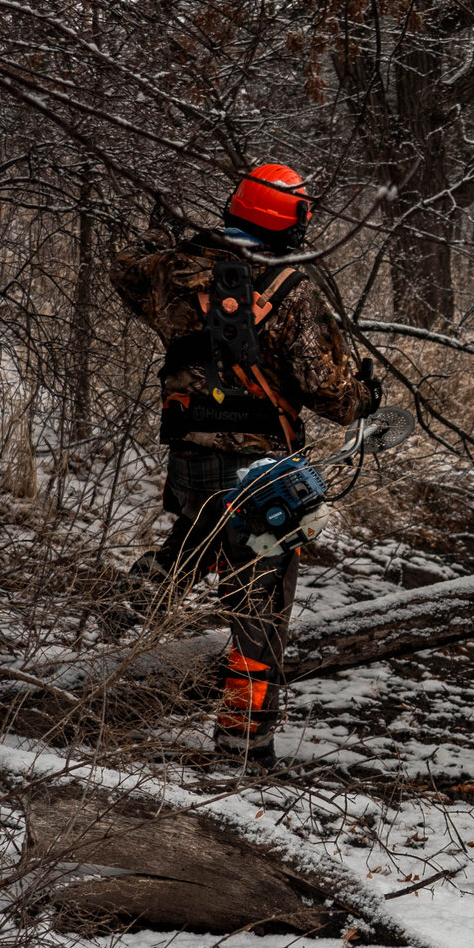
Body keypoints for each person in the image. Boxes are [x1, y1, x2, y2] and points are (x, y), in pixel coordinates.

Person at [111, 163, 378, 763]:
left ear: (236, 206)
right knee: (259, 609)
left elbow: (124, 267)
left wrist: (165, 235)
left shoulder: (172, 271)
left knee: (197, 535)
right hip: (262, 473)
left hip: (189, 459)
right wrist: (366, 394)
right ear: (295, 220)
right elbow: (333, 394)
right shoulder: (292, 289)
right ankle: (243, 746)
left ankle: (136, 598)